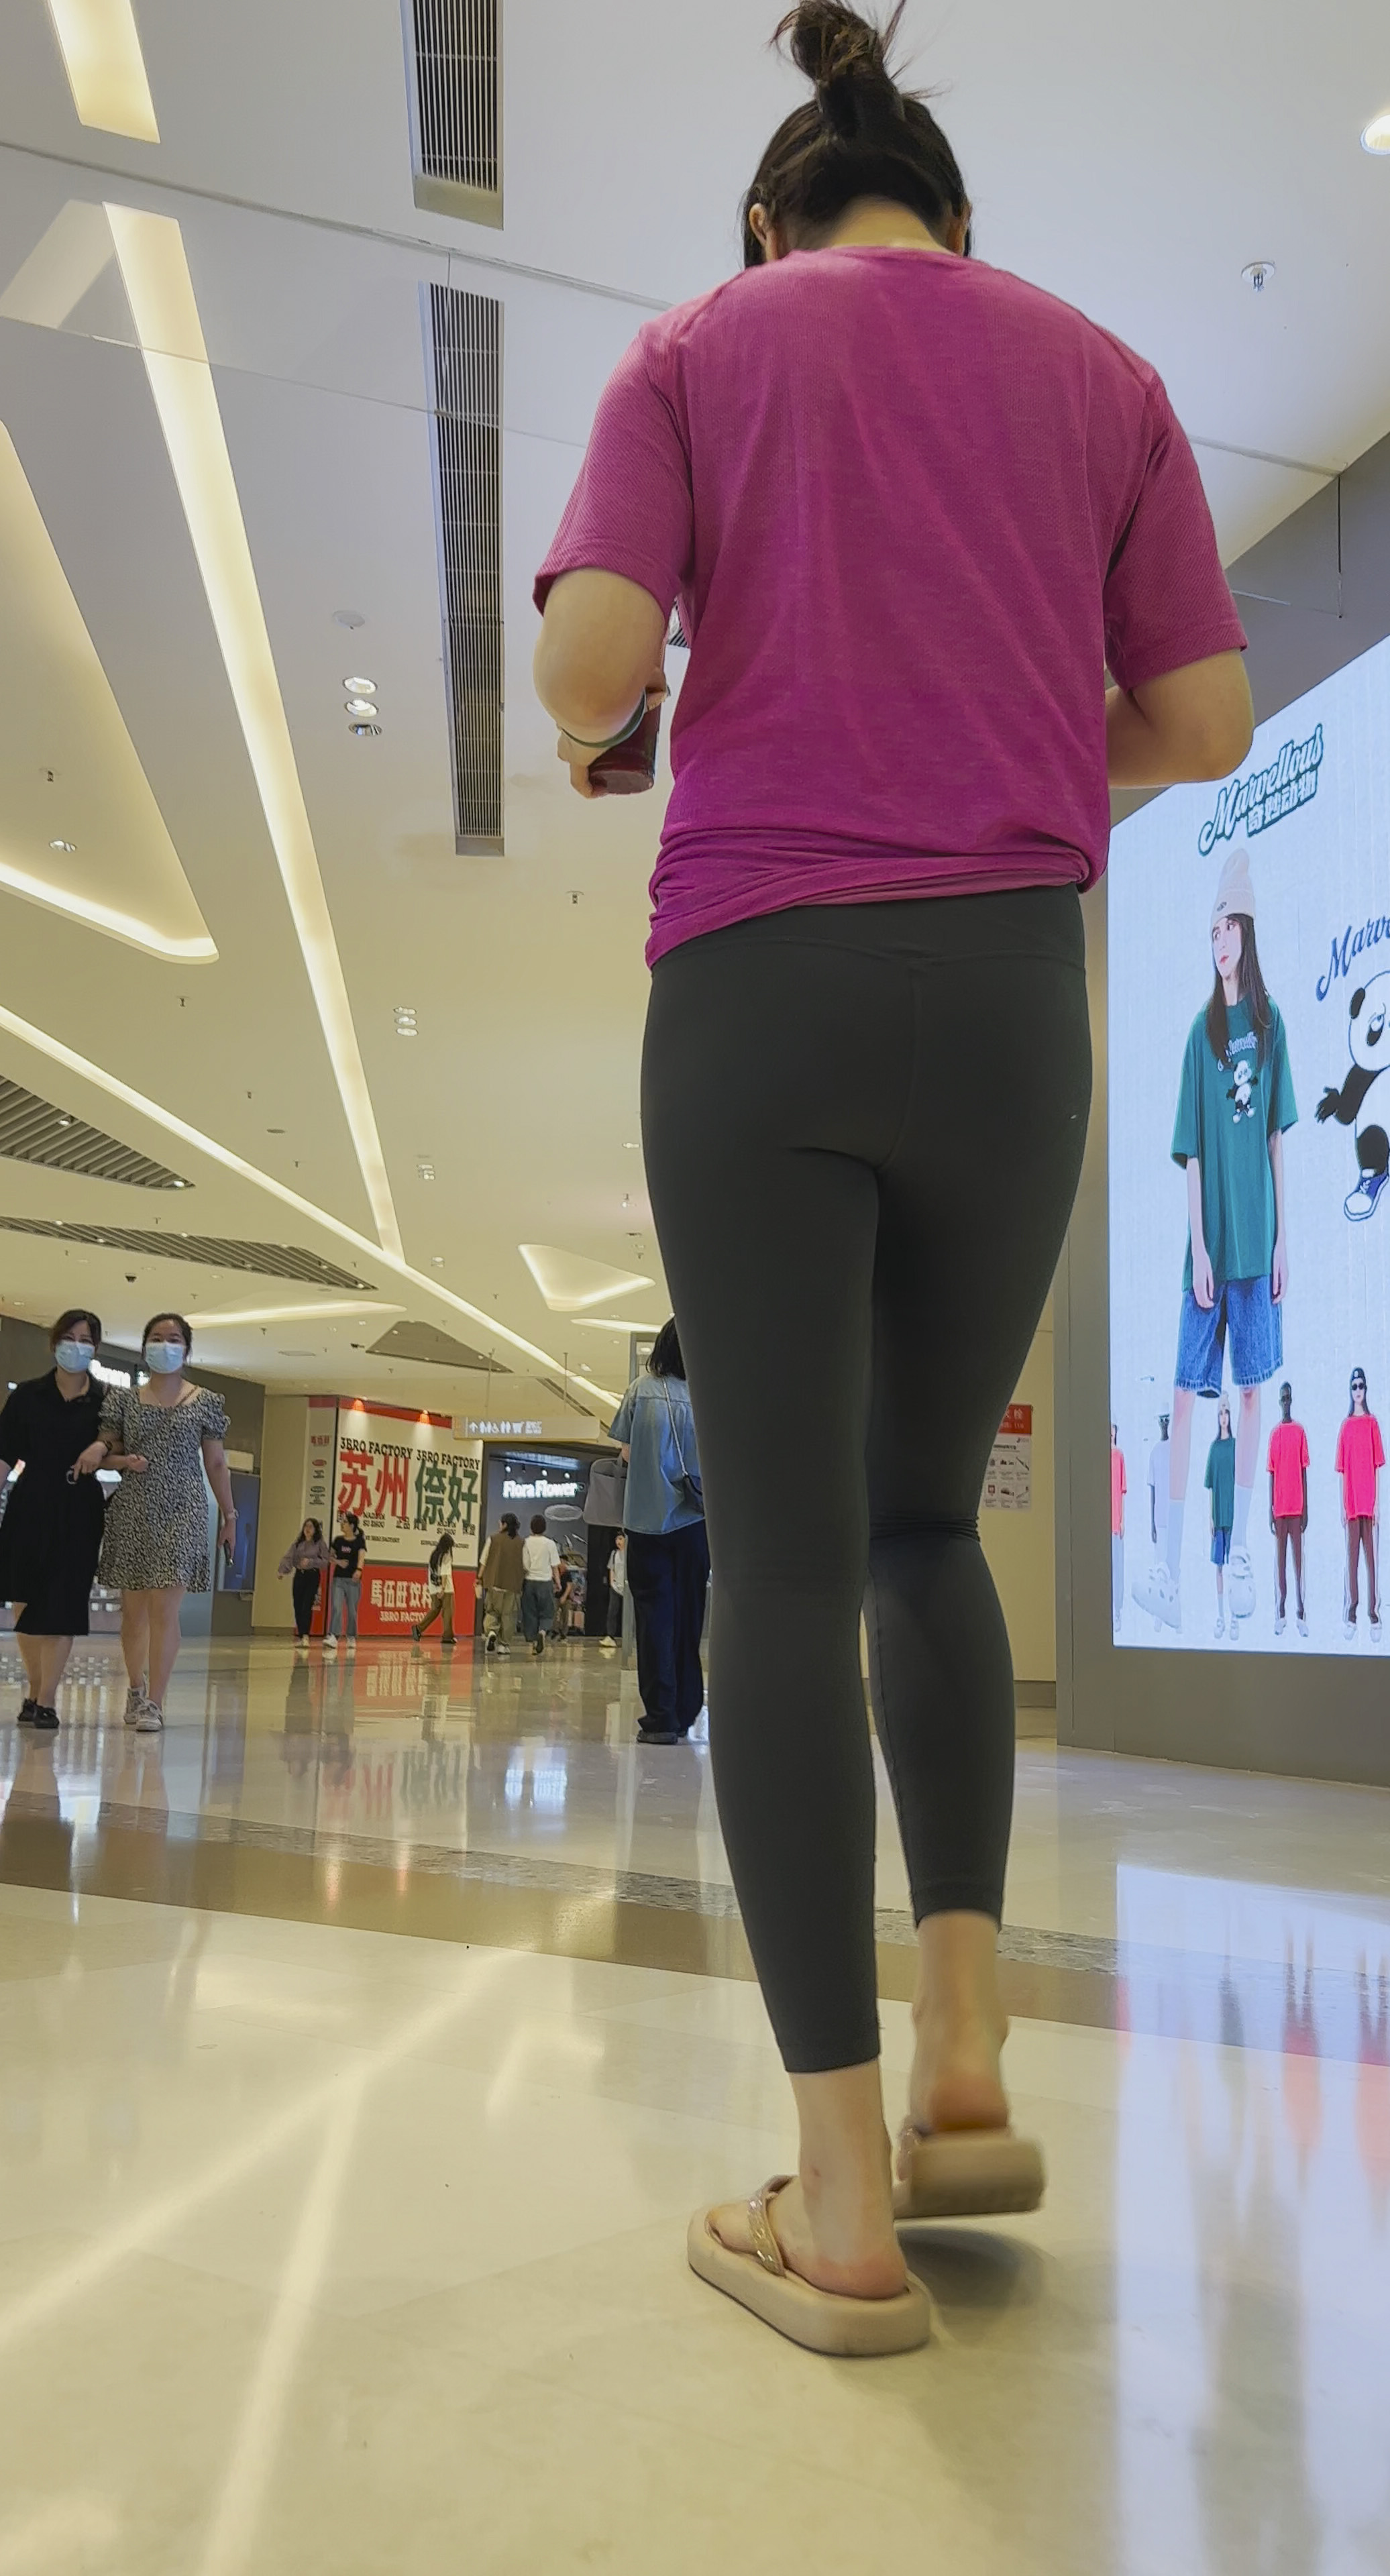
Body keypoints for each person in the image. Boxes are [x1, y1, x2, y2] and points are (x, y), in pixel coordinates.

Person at [533, 0, 1252, 2352]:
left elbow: (589, 663)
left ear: (772, 222)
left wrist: (643, 694)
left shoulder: (695, 347)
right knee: (928, 1522)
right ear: (958, 220)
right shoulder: (1106, 377)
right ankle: (961, 2040)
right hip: (1018, 998)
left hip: (765, 981)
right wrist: (1012, 741)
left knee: (777, 1557)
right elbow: (1206, 719)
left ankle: (839, 2199)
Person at [1132, 853, 1296, 1637]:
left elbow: (1276, 1140)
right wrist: (1197, 1246)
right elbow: (1193, 1150)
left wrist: (1285, 1238)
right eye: (1211, 929)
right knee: (1184, 1389)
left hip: (1258, 1243)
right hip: (1210, 1246)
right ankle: (1167, 1566)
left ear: (1248, 933)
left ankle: (1245, 1555)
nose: (1218, 939)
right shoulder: (1203, 1033)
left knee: (1255, 1387)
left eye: (1228, 926)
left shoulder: (1270, 1026)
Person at [0, 1308, 133, 1731]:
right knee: (25, 1597)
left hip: (79, 1505)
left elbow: (118, 1445)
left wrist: (105, 1451)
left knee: (64, 1599)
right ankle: (34, 1689)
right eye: (69, 1338)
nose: (77, 1346)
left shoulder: (107, 1400)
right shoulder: (27, 1395)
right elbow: (4, 1452)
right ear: (54, 1342)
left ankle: (46, 1700)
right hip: (31, 1501)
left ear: (96, 1348)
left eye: (86, 1340)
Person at [75, 1312, 234, 1732]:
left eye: (174, 1338)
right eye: (157, 1338)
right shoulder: (123, 1400)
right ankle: (136, 1686)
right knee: (134, 1612)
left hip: (184, 1508)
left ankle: (155, 1702)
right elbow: (109, 1446)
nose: (166, 1345)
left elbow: (216, 1463)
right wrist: (110, 1456)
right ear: (145, 1347)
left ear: (187, 1349)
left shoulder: (206, 1401)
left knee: (165, 1607)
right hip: (134, 1507)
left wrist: (230, 1515)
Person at [606, 1321, 710, 1746]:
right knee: (689, 1616)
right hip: (695, 1522)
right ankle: (687, 1709)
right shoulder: (707, 1396)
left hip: (647, 1523)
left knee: (654, 1619)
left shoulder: (640, 1391)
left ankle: (661, 1717)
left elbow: (627, 1452)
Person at [1336, 1368, 1383, 1643]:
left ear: (1366, 1389)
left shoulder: (1373, 1424)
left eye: (1361, 1386)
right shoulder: (1345, 1427)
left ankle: (1374, 1615)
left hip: (1369, 1504)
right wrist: (1343, 1506)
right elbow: (1342, 1471)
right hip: (1352, 1506)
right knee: (1352, 1562)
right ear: (1350, 1390)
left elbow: (1377, 1467)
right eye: (1354, 1386)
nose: (1358, 1390)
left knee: (1372, 1562)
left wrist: (1377, 1504)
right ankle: (1352, 1615)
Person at [1266, 1381, 1309, 1640]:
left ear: (1292, 1400)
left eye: (1288, 1397)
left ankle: (1301, 1614)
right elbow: (1271, 1474)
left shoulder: (1300, 1432)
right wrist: (1269, 1510)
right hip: (1280, 1510)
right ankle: (1281, 1614)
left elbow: (1304, 1471)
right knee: (1280, 1564)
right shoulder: (1274, 1435)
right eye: (1282, 1398)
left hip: (1296, 1509)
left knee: (1298, 1564)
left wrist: (1307, 1509)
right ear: (1279, 1401)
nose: (1285, 1402)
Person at [1205, 1400, 1237, 1640]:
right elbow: (1210, 1488)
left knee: (1234, 1568)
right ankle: (1221, 1616)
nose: (1223, 1417)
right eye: (1220, 1413)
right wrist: (1211, 1518)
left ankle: (1234, 1618)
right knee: (1219, 1567)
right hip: (1218, 1517)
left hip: (1233, 1515)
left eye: (1226, 1412)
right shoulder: (1214, 1449)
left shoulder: (1236, 1446)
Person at [278, 1517, 330, 1648]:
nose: (308, 1529)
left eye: (311, 1527)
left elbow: (325, 1561)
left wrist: (311, 1562)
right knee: (298, 1605)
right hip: (299, 1576)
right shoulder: (298, 1543)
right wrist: (282, 1570)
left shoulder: (319, 1543)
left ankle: (306, 1635)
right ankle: (301, 1635)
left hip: (312, 1575)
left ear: (315, 1530)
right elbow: (289, 1557)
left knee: (307, 1605)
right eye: (306, 1526)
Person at [479, 1511, 525, 1656]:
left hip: (495, 1584)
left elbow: (484, 1561)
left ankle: (491, 1632)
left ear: (504, 1524)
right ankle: (504, 1645)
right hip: (513, 1586)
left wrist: (479, 1577)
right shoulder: (521, 1543)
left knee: (492, 1611)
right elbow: (526, 1565)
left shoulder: (493, 1539)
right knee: (509, 1616)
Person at [325, 1512, 366, 1652]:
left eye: (345, 1522)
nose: (342, 1524)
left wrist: (359, 1570)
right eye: (341, 1522)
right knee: (337, 1607)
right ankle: (334, 1636)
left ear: (352, 1525)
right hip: (339, 1579)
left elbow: (361, 1557)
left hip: (353, 1581)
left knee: (352, 1611)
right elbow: (329, 1557)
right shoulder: (338, 1541)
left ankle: (351, 1636)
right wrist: (338, 1562)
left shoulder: (359, 1541)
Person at [520, 1515, 560, 1656]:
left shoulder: (526, 1542)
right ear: (545, 1528)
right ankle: (542, 1632)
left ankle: (533, 1644)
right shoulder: (550, 1544)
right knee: (547, 1612)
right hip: (545, 1582)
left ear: (531, 1528)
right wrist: (558, 1583)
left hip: (529, 1581)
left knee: (530, 1613)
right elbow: (555, 1566)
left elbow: (524, 1564)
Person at [413, 1530, 456, 1643]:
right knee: (448, 1613)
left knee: (435, 1610)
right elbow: (445, 1574)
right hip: (446, 1589)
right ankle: (447, 1636)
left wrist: (436, 1589)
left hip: (433, 1588)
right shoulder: (446, 1556)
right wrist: (443, 1589)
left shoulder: (434, 1555)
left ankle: (418, 1628)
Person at [1109, 1427, 1126, 1635]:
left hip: (1116, 1523)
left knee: (1117, 1569)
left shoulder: (1119, 1455)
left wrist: (1122, 1521)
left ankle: (1118, 1612)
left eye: (1113, 1428)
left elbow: (1122, 1491)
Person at [1146, 1413, 1171, 1551]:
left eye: (1166, 1419)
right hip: (1159, 1519)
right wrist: (1152, 1525)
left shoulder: (1174, 1449)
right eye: (1161, 1420)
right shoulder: (1155, 1452)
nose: (1164, 1423)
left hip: (1172, 1518)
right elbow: (1153, 1491)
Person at [600, 1530, 627, 1650]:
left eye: (621, 1539)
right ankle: (610, 1637)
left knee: (629, 1614)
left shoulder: (630, 1554)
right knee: (612, 1612)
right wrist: (612, 1583)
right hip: (616, 1587)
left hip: (628, 1588)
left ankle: (630, 1637)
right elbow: (611, 1569)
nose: (618, 1542)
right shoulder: (614, 1554)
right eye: (617, 1539)